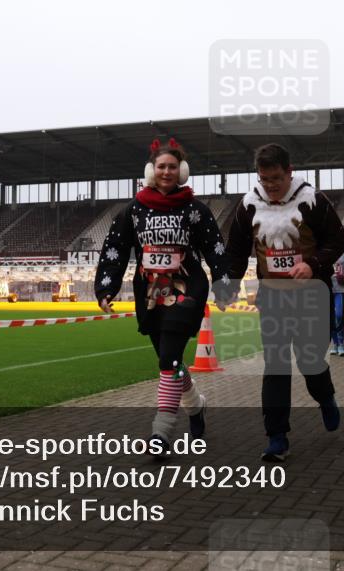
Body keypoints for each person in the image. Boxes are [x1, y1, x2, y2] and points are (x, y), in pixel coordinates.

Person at [94, 138, 230, 456]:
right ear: (151, 171)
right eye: (161, 167)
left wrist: (224, 285)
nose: (166, 172)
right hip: (151, 294)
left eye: (172, 166)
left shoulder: (195, 210)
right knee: (168, 360)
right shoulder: (134, 210)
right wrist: (105, 288)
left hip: (187, 290)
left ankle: (161, 434)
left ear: (181, 171)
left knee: (168, 359)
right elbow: (114, 250)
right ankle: (196, 407)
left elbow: (214, 247)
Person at [223, 143, 344, 462]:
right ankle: (276, 436)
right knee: (276, 366)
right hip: (273, 298)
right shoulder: (248, 205)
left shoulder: (313, 200)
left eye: (276, 178)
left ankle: (326, 397)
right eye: (264, 179)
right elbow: (236, 251)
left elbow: (339, 240)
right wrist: (228, 286)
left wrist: (313, 265)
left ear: (289, 171)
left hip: (311, 296)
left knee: (310, 362)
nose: (271, 185)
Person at [329, 247, 344, 357]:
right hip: (326, 287)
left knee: (339, 315)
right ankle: (335, 344)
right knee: (330, 317)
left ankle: (341, 343)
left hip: (340, 288)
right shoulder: (321, 248)